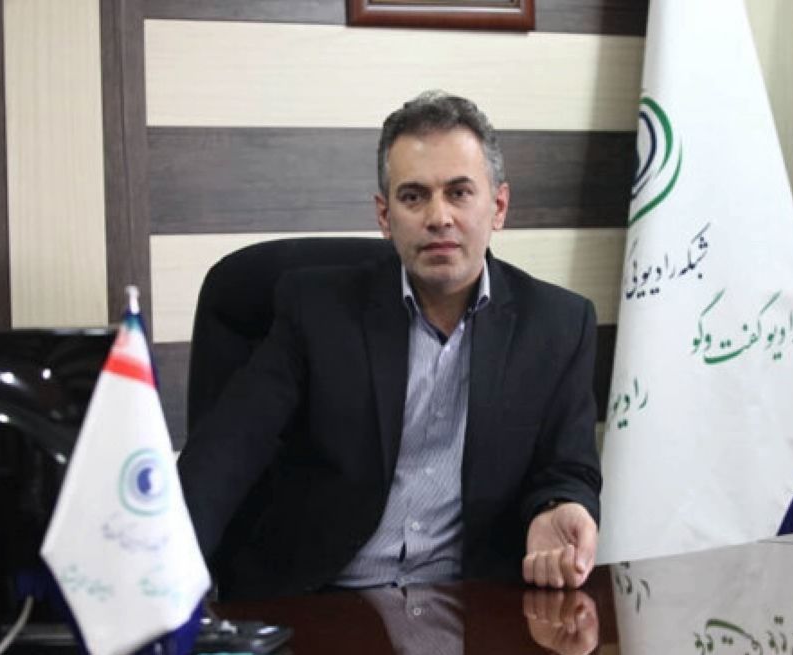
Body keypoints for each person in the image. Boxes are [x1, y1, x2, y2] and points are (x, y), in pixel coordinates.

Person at [178, 90, 601, 599]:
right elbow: (225, 453)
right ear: (384, 215)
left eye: (459, 192)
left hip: (471, 605)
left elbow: (567, 467)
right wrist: (161, 569)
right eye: (414, 196)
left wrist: (559, 506)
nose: (439, 216)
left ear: (499, 206)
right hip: (326, 605)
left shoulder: (557, 326)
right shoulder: (316, 309)